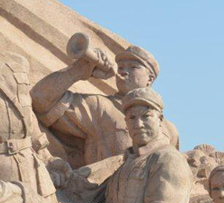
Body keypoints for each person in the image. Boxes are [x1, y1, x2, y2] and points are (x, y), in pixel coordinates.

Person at [31, 45, 179, 167]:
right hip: (105, 195)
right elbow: (40, 100)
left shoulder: (170, 130)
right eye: (121, 67)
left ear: (150, 79)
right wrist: (79, 70)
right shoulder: (100, 106)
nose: (123, 71)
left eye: (133, 67)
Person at [0, 53, 59, 200]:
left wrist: (47, 156)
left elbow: (26, 110)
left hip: (32, 164)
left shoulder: (16, 61)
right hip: (5, 172)